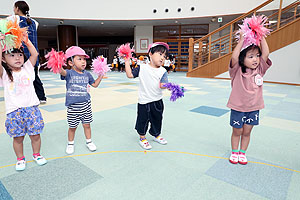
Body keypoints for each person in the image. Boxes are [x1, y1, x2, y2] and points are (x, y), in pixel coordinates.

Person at [0, 34, 47, 171]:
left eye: (19, 55)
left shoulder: (27, 69)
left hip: (32, 109)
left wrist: (26, 41)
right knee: (18, 138)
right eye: (12, 55)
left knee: (35, 135)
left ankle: (37, 154)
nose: (17, 58)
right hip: (14, 111)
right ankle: (20, 159)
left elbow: (34, 53)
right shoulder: (4, 73)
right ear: (3, 58)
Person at [227, 33, 271, 165]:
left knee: (247, 131)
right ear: (242, 58)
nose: (255, 59)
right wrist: (241, 40)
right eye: (250, 56)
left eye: (257, 56)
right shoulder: (237, 70)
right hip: (238, 107)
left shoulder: (260, 69)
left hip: (254, 108)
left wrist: (261, 36)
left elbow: (266, 53)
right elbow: (234, 57)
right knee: (237, 131)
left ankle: (242, 153)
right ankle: (234, 152)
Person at [124, 42, 169, 150]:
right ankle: (142, 138)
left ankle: (156, 134)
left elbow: (162, 85)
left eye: (164, 56)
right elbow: (130, 75)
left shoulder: (163, 71)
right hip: (144, 101)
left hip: (157, 100)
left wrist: (169, 86)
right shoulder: (142, 68)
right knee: (143, 120)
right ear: (150, 54)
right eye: (160, 54)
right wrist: (126, 61)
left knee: (157, 119)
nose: (162, 58)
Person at [59, 46, 104, 154]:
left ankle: (89, 141)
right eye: (79, 59)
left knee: (87, 124)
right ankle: (70, 143)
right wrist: (57, 62)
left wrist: (101, 75)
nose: (83, 62)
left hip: (86, 105)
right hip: (73, 106)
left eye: (84, 59)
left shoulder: (87, 74)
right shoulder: (69, 73)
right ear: (71, 62)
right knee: (72, 126)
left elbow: (95, 85)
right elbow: (61, 71)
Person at [9, 1, 47, 104]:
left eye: (14, 7)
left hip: (20, 53)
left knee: (19, 76)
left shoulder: (14, 18)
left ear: (17, 8)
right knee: (34, 76)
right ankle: (41, 97)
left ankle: (22, 96)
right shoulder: (34, 22)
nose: (13, 10)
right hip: (33, 53)